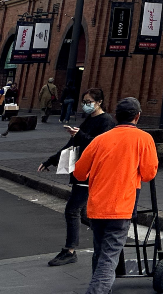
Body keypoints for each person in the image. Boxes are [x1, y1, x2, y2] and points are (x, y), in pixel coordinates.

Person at [73, 97, 158, 294]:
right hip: (122, 206)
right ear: (137, 116)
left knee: (100, 252)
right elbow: (148, 174)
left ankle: (103, 289)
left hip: (96, 205)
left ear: (116, 117)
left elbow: (79, 172)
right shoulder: (144, 139)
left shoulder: (100, 140)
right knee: (109, 256)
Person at [39, 87, 117, 267]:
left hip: (92, 172)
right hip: (81, 170)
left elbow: (100, 145)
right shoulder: (89, 119)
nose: (85, 105)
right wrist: (50, 161)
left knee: (72, 210)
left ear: (99, 102)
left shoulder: (106, 121)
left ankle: (70, 250)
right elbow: (72, 144)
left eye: (89, 102)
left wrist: (79, 135)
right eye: (84, 102)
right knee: (82, 213)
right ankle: (109, 236)